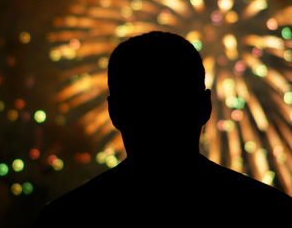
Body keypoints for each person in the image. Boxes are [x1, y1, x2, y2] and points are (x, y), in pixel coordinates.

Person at [35, 31, 292, 226]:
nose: (159, 113)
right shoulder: (270, 212)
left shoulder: (64, 218)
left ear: (114, 112)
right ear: (205, 107)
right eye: (149, 102)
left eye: (168, 100)